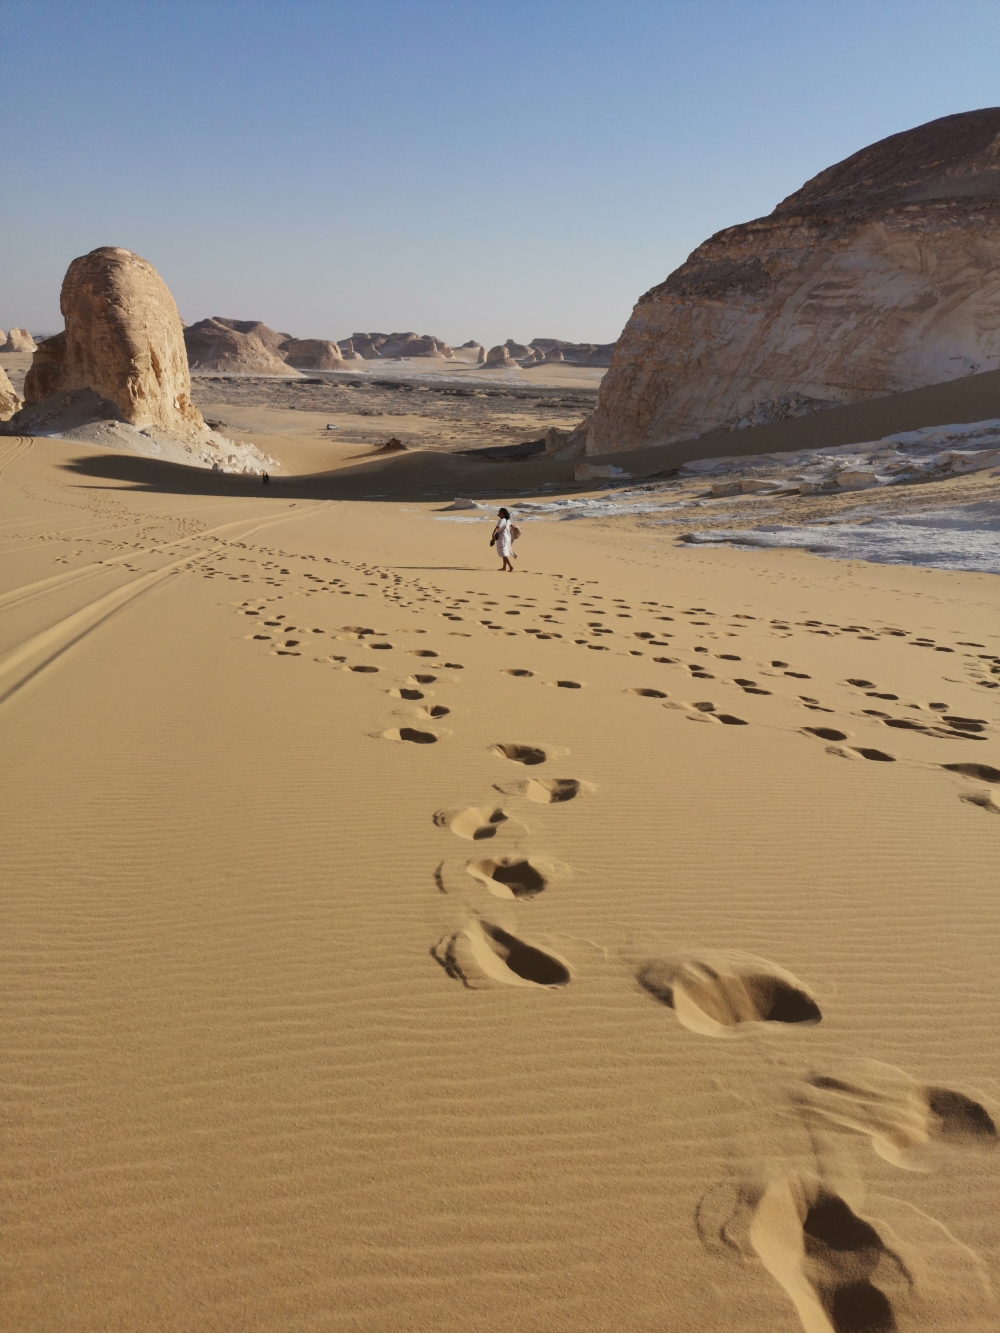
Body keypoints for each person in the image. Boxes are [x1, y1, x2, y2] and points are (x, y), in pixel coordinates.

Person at [491, 507, 514, 572]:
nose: (499, 513)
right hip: (507, 538)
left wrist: (493, 534)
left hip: (502, 538)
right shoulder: (508, 521)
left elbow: (497, 528)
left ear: (503, 514)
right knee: (504, 552)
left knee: (502, 553)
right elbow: (513, 527)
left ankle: (511, 566)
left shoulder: (501, 520)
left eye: (500, 512)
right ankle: (504, 567)